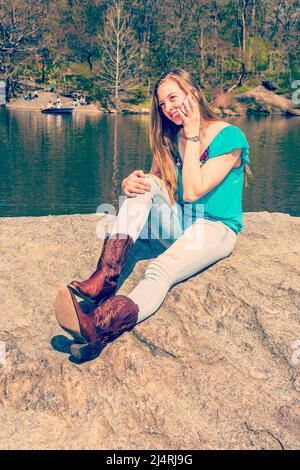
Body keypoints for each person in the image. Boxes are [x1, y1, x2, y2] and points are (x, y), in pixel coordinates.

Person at [54, 68, 252, 361]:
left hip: (215, 229)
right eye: (162, 104)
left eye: (173, 97)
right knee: (145, 185)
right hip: (182, 221)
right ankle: (104, 278)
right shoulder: (171, 137)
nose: (169, 108)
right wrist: (130, 183)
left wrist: (193, 133)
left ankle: (98, 328)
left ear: (192, 93)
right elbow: (159, 185)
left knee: (159, 270)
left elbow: (193, 191)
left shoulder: (229, 136)